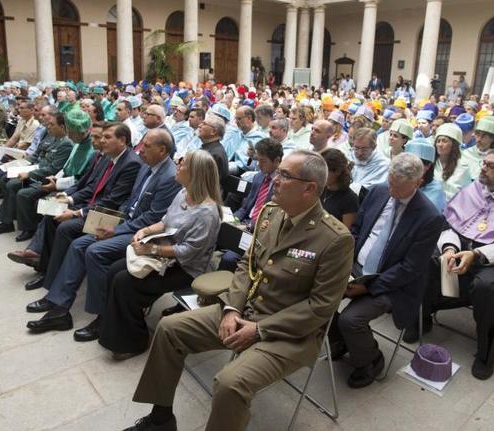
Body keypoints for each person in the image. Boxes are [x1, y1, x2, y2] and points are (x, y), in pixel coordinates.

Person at [125, 150, 353, 431]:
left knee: (230, 383)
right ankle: (161, 418)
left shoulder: (335, 239)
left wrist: (259, 330)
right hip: (244, 311)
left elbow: (321, 307)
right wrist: (232, 309)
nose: (275, 180)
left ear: (309, 188)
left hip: (287, 334)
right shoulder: (271, 213)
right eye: (278, 172)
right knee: (170, 329)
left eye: (284, 175)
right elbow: (248, 265)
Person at [25, 129, 182, 337]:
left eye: (147, 146)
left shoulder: (169, 177)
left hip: (141, 233)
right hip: (125, 220)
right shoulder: (147, 167)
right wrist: (111, 220)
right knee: (77, 243)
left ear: (162, 150)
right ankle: (60, 307)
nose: (141, 149)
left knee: (94, 251)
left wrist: (115, 228)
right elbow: (129, 202)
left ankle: (104, 317)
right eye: (142, 144)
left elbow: (152, 219)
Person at [416, 149, 494, 379]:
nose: (483, 168)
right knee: (425, 258)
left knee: (490, 286)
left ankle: (486, 353)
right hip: (459, 247)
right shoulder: (474, 187)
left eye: (491, 166)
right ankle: (423, 315)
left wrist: (475, 255)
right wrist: (450, 248)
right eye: (484, 163)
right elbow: (448, 224)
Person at [328, 153, 446, 387]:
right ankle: (342, 340)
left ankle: (370, 359)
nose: (392, 190)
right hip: (356, 266)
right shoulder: (379, 191)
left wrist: (367, 286)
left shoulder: (429, 217)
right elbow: (358, 229)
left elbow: (410, 268)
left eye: (399, 187)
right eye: (391, 182)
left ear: (417, 183)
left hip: (392, 283)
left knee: (351, 320)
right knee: (316, 294)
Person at [98, 150, 223, 358]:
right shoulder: (183, 193)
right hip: (166, 257)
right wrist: (145, 231)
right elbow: (166, 221)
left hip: (186, 268)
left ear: (194, 173)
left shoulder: (207, 213)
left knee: (124, 282)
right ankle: (119, 324)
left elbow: (189, 252)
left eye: (182, 165)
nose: (177, 167)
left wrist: (151, 249)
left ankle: (135, 341)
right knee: (115, 270)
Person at [32, 123, 142, 288]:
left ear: (122, 140)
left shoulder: (131, 163)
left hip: (107, 215)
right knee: (48, 211)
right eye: (101, 137)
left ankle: (53, 281)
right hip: (89, 206)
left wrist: (78, 213)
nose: (102, 141)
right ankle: (46, 269)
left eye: (107, 137)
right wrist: (69, 200)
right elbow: (91, 187)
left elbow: (111, 201)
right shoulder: (107, 157)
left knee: (65, 227)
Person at [0, 112, 74, 235]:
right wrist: (22, 163)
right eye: (48, 124)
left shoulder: (66, 144)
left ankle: (28, 228)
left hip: (45, 177)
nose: (48, 127)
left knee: (20, 191)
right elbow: (36, 156)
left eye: (52, 124)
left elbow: (52, 169)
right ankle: (7, 222)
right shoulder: (50, 137)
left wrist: (30, 173)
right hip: (34, 169)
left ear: (62, 127)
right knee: (7, 178)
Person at [232, 138, 281, 225]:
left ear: (277, 161)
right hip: (245, 222)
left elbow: (271, 220)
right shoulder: (258, 177)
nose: (258, 164)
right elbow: (245, 208)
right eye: (258, 160)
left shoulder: (281, 184)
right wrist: (234, 219)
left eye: (263, 161)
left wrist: (249, 226)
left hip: (260, 228)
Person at [320, 148, 359, 228]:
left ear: (337, 171)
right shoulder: (320, 188)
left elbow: (345, 234)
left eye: (325, 171)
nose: (320, 174)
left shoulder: (350, 199)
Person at [434, 123, 472, 201]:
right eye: (438, 141)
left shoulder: (462, 167)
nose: (440, 144)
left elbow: (464, 195)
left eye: (444, 141)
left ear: (453, 144)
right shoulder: (431, 164)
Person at [405, 139, 446, 211]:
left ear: (428, 166)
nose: (412, 168)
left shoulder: (435, 190)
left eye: (418, 165)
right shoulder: (397, 180)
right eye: (409, 162)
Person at [197, 116, 229, 190]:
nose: (199, 125)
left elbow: (203, 185)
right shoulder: (209, 149)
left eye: (204, 124)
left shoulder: (215, 154)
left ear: (213, 132)